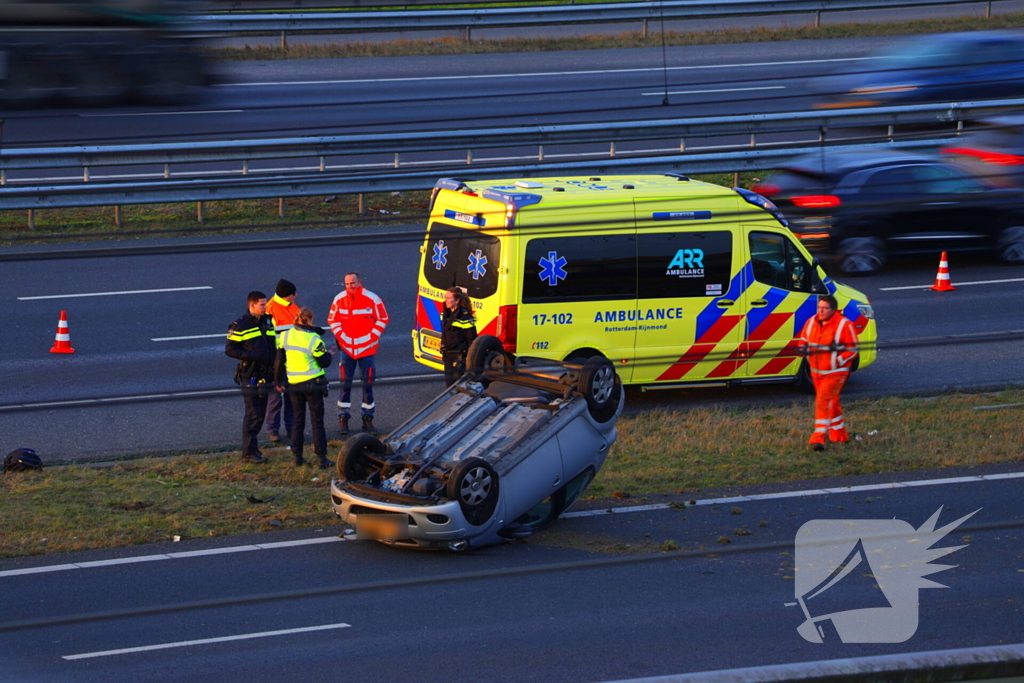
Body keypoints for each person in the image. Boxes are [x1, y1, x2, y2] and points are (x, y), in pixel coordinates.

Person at [327, 272, 389, 435]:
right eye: (347, 284)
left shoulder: (372, 299)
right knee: (344, 385)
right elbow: (333, 320)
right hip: (347, 350)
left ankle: (367, 420)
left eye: (352, 283)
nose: (350, 287)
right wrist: (341, 336)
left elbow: (383, 318)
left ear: (359, 282)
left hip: (367, 350)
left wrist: (372, 337)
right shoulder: (339, 299)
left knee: (367, 386)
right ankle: (343, 418)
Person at [274, 308, 335, 469]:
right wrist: (329, 352)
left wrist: (278, 381)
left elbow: (279, 360)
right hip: (312, 384)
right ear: (311, 320)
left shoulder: (285, 335)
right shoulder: (313, 339)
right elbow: (324, 362)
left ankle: (297, 457)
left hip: (293, 384)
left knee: (297, 421)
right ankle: (322, 458)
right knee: (317, 422)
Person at [799, 295, 859, 451]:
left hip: (836, 373)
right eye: (819, 308)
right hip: (816, 372)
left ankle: (818, 437)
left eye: (824, 308)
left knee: (823, 400)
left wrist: (836, 362)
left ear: (834, 310)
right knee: (832, 402)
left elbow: (852, 349)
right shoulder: (811, 322)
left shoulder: (844, 325)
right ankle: (839, 434)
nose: (821, 311)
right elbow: (804, 339)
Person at [225, 291, 277, 464]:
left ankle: (253, 449)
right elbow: (230, 349)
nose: (265, 307)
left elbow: (273, 344)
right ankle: (248, 452)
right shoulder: (240, 325)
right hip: (251, 375)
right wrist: (251, 355)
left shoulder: (268, 321)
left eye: (265, 303)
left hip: (266, 374)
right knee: (253, 413)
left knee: (260, 413)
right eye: (262, 304)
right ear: (252, 305)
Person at [264, 278, 299, 443]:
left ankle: (291, 429)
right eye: (293, 294)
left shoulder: (292, 307)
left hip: (292, 359)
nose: (296, 296)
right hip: (277, 360)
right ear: (286, 296)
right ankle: (272, 430)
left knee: (291, 397)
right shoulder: (270, 310)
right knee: (276, 397)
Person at [440, 286, 478, 387]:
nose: (445, 300)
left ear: (457, 300)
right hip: (448, 356)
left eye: (448, 298)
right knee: (449, 385)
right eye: (445, 297)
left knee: (457, 386)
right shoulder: (446, 314)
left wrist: (468, 360)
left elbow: (471, 339)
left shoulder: (464, 317)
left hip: (459, 357)